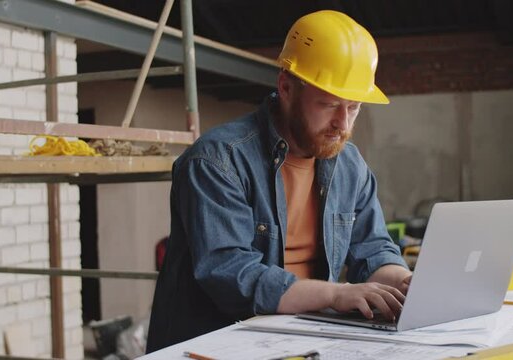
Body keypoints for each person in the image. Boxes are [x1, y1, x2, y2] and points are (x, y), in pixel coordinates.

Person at [146, 10, 412, 352]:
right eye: (330, 105)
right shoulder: (216, 160)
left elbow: (374, 250)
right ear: (286, 87)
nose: (342, 124)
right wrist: (335, 293)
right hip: (216, 344)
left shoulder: (349, 165)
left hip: (299, 340)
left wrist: (407, 283)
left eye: (354, 107)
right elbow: (231, 273)